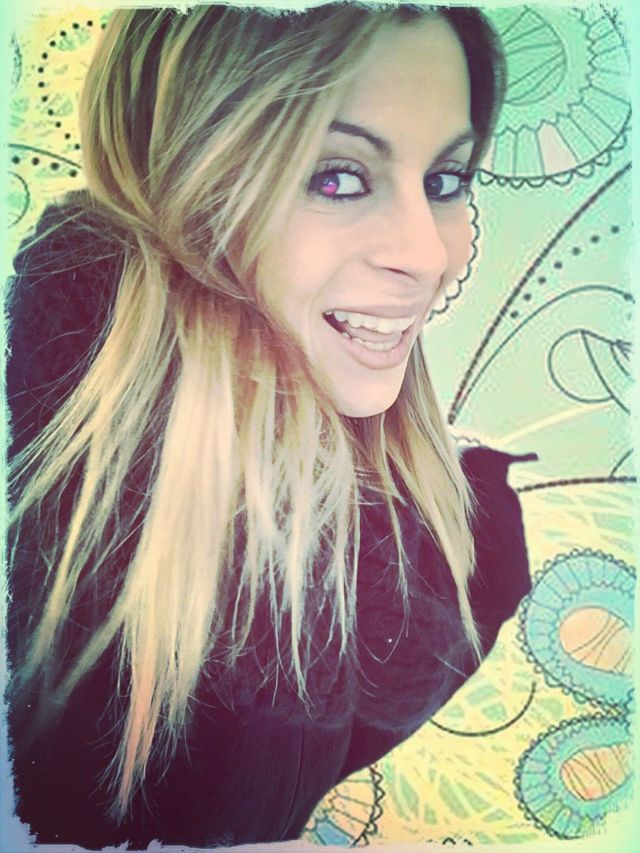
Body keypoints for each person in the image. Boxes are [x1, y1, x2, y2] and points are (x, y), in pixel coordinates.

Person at [5, 5, 534, 849]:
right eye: (337, 177)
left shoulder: (444, 532)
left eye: (444, 181)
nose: (430, 257)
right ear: (186, 179)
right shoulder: (84, 380)